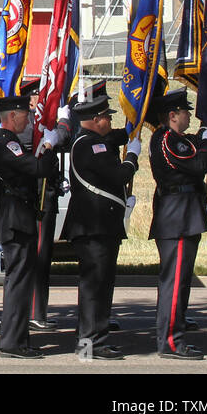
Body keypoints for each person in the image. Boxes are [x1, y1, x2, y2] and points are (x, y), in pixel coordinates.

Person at [62, 90, 137, 360]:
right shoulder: (90, 145)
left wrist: (129, 130)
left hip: (99, 226)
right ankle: (92, 342)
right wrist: (132, 158)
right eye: (106, 117)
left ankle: (93, 338)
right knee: (95, 287)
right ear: (95, 120)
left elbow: (115, 137)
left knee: (101, 285)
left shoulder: (92, 140)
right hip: (94, 227)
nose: (109, 121)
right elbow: (118, 176)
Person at [148, 88, 207, 360]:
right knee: (174, 282)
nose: (189, 115)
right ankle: (171, 342)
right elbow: (197, 165)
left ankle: (175, 333)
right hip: (176, 216)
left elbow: (193, 150)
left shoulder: (178, 138)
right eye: (186, 111)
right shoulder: (166, 139)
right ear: (173, 115)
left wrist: (202, 137)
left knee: (181, 281)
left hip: (186, 214)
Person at [0, 92, 55, 359]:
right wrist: (49, 146)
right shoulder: (5, 144)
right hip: (15, 216)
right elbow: (38, 169)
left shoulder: (10, 141)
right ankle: (12, 342)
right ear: (12, 116)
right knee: (18, 281)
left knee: (23, 281)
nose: (29, 120)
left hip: (20, 214)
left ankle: (19, 338)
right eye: (26, 115)